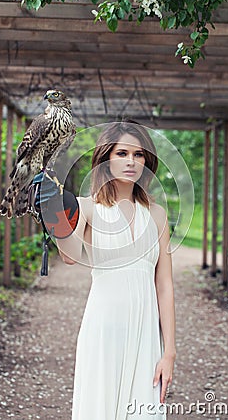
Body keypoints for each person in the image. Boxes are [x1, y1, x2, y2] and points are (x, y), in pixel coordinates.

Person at [56, 120, 176, 420]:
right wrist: (54, 217)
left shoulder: (158, 215)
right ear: (106, 158)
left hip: (146, 333)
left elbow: (164, 286)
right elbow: (70, 256)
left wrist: (169, 351)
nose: (132, 162)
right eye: (122, 153)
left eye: (139, 155)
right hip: (103, 328)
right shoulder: (88, 207)